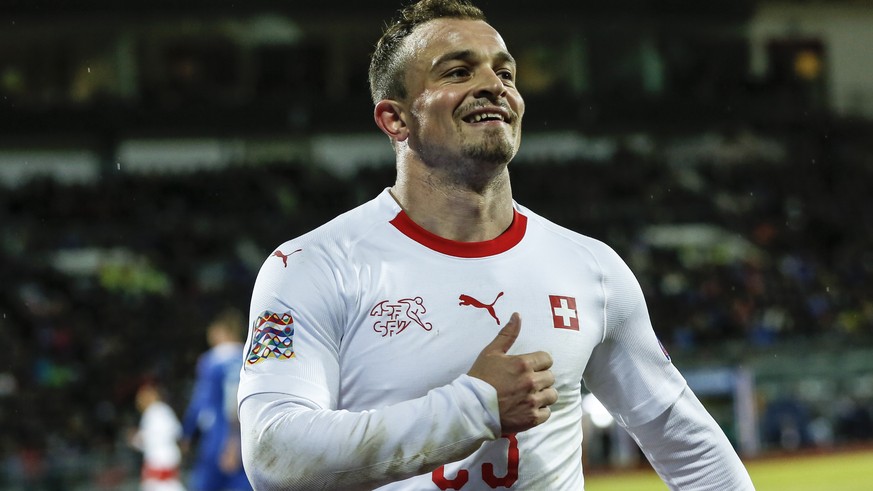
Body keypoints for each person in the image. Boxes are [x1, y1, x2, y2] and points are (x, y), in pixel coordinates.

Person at [238, 1, 757, 489]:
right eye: (458, 72)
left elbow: (687, 444)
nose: (493, 86)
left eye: (504, 73)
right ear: (395, 119)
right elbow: (273, 455)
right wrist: (474, 406)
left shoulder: (591, 268)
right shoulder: (311, 266)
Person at [182, 308, 252, 491]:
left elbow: (200, 402)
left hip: (218, 438)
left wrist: (187, 434)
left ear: (221, 331)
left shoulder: (212, 360)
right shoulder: (249, 356)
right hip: (248, 440)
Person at [131, 383, 186, 491]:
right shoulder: (165, 409)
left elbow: (146, 440)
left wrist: (136, 439)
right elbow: (178, 431)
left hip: (158, 463)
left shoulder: (151, 412)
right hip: (169, 458)